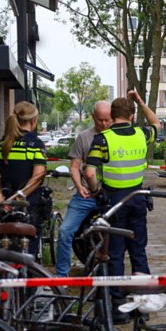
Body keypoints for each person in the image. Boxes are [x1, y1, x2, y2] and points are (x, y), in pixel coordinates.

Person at [84, 92, 160, 312]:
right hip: (137, 197)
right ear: (132, 115)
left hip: (114, 202)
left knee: (115, 252)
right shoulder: (142, 134)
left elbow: (89, 173)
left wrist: (96, 191)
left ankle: (117, 303)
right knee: (138, 250)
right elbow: (156, 123)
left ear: (112, 115)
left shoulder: (102, 139)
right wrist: (141, 102)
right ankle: (143, 301)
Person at [54, 101, 112, 277]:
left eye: (108, 119)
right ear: (93, 117)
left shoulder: (117, 137)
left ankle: (118, 275)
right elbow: (74, 166)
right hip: (86, 195)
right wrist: (79, 187)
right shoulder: (84, 137)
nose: (104, 124)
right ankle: (61, 277)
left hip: (110, 195)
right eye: (100, 120)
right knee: (64, 231)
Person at [0, 101, 47, 256]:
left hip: (6, 203)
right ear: (34, 120)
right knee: (29, 249)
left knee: (8, 242)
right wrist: (21, 196)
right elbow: (38, 176)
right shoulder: (35, 144)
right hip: (29, 202)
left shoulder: (2, 144)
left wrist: (1, 198)